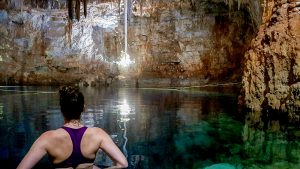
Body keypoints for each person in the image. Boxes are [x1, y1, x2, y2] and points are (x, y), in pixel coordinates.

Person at [17, 86, 128, 169]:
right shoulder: (97, 134)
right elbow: (123, 164)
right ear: (83, 108)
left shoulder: (48, 138)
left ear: (61, 109)